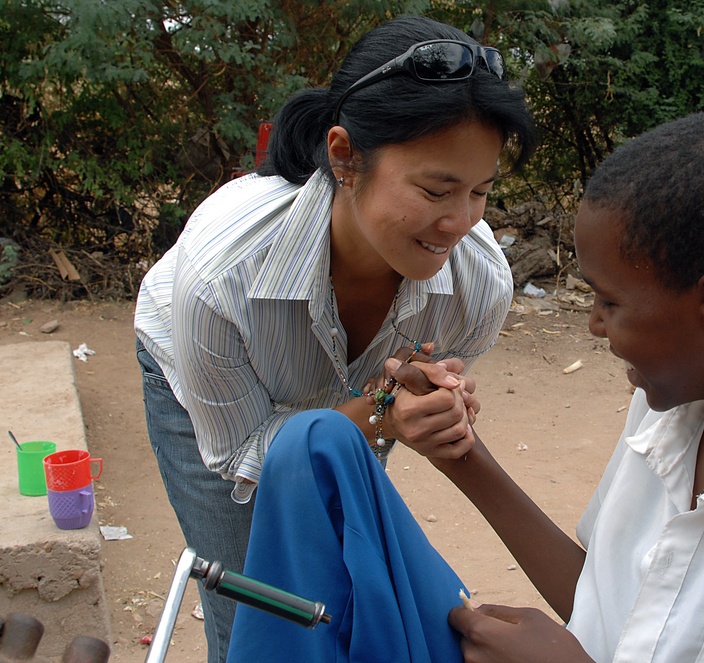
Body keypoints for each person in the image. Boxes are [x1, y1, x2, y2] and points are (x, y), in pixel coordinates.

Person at [228, 112, 704, 662]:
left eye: (609, 303)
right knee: (314, 447)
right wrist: (464, 457)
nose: (592, 326)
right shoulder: (670, 408)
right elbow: (611, 600)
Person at [133, 15, 537, 662]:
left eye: (481, 191)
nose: (460, 221)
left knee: (340, 581)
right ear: (345, 156)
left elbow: (383, 409)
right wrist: (385, 410)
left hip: (345, 400)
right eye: (436, 189)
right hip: (215, 398)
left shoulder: (477, 285)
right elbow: (245, 452)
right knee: (256, 606)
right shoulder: (221, 278)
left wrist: (422, 402)